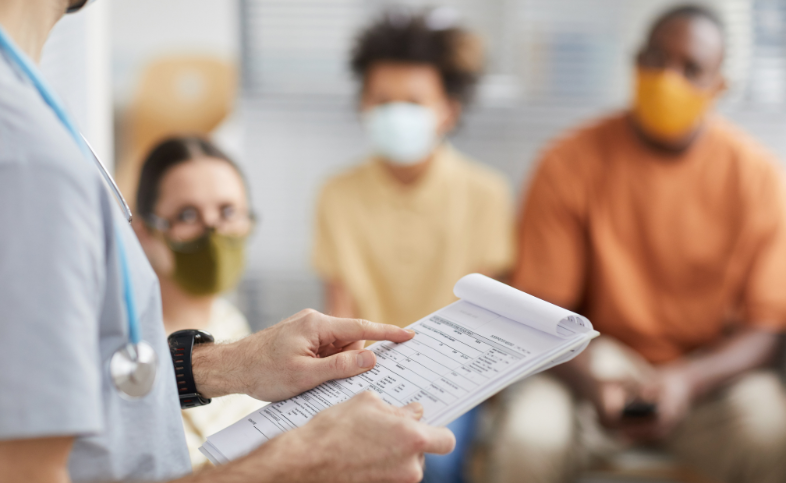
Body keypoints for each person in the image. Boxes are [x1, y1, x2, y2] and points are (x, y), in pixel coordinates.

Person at [0, 1, 455, 482]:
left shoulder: (33, 111)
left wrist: (234, 364)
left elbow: (83, 373)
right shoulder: (27, 155)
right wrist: (306, 461)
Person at [487, 5, 786, 483]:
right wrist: (593, 384)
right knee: (528, 439)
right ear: (634, 62)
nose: (668, 79)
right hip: (591, 361)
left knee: (773, 433)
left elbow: (765, 329)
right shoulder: (568, 163)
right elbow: (544, 313)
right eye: (656, 59)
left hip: (709, 376)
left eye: (691, 69)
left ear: (719, 86)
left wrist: (686, 380)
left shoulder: (757, 178)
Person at [311, 10, 515, 483]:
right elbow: (338, 316)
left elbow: (490, 324)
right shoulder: (335, 194)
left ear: (449, 109)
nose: (395, 113)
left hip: (456, 385)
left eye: (413, 100)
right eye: (382, 100)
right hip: (364, 377)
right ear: (362, 104)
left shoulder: (488, 194)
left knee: (430, 459)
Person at [133, 136, 264, 469]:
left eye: (228, 211)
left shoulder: (229, 320)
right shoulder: (130, 352)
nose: (214, 231)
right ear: (146, 232)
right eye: (187, 215)